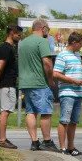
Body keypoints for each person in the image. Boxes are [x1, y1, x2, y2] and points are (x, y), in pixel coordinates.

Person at [18, 18, 60, 152]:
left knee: (30, 112)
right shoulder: (42, 41)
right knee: (46, 112)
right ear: (43, 28)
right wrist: (51, 80)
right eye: (47, 28)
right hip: (40, 83)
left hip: (25, 82)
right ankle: (47, 141)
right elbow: (47, 63)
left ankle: (34, 142)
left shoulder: (23, 43)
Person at [53, 31, 82, 155]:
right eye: (80, 44)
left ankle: (71, 147)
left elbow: (75, 74)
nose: (81, 46)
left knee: (74, 122)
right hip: (67, 93)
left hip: (78, 93)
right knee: (64, 120)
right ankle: (62, 148)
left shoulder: (77, 56)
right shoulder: (62, 55)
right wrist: (73, 81)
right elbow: (56, 74)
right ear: (74, 43)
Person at [0, 24, 23, 149]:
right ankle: (2, 140)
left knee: (4, 111)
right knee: (5, 112)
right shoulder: (6, 48)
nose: (19, 37)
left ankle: (2, 138)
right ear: (12, 33)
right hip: (7, 84)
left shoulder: (6, 48)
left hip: (6, 84)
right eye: (18, 35)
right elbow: (0, 66)